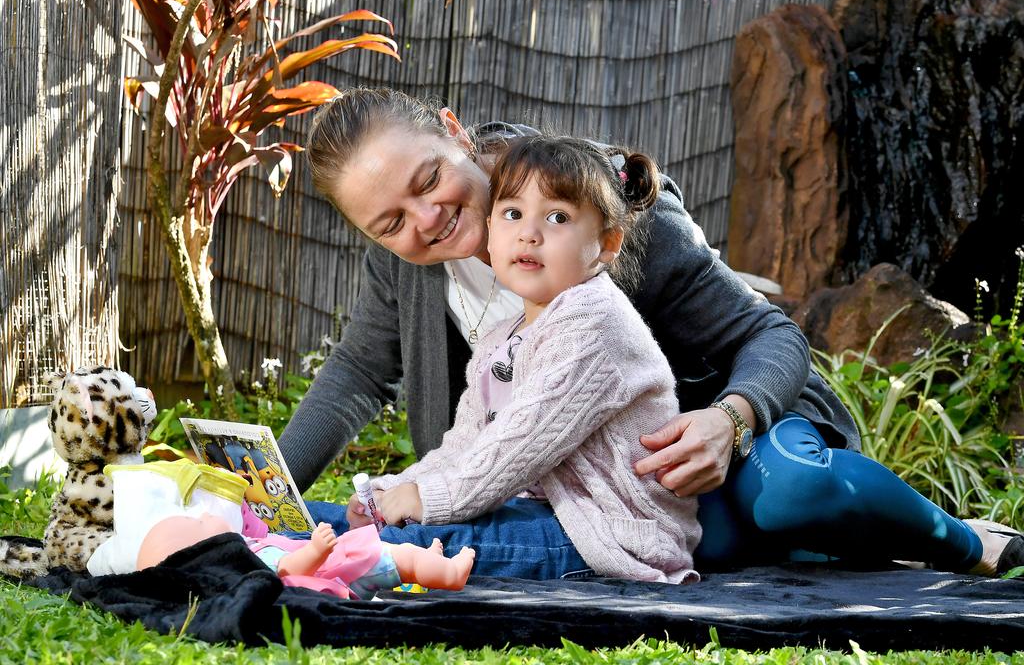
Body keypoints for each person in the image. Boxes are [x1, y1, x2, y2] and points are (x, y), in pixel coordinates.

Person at [278, 87, 1023, 578]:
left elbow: (774, 336)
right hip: (618, 497)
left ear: (453, 132)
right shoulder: (408, 267)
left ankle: (958, 540)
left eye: (426, 182)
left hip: (733, 452)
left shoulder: (598, 203)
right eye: (391, 223)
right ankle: (846, 536)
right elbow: (352, 381)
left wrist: (729, 420)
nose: (426, 219)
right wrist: (263, 488)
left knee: (789, 493)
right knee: (734, 547)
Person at [354, 136, 700, 582]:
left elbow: (518, 448)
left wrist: (427, 500)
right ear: (492, 225)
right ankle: (288, 535)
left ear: (607, 243)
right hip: (542, 510)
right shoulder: (504, 336)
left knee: (420, 544)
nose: (529, 232)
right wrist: (390, 490)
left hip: (609, 531)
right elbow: (467, 443)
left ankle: (300, 553)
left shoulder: (594, 320)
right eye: (512, 214)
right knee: (348, 524)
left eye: (558, 218)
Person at [137, 514, 476, 599]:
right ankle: (449, 574)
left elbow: (254, 527)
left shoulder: (246, 552)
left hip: (342, 566)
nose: (204, 513)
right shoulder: (252, 565)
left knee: (408, 560)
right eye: (196, 520)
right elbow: (285, 570)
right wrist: (316, 550)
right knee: (402, 557)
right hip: (349, 563)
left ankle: (431, 564)